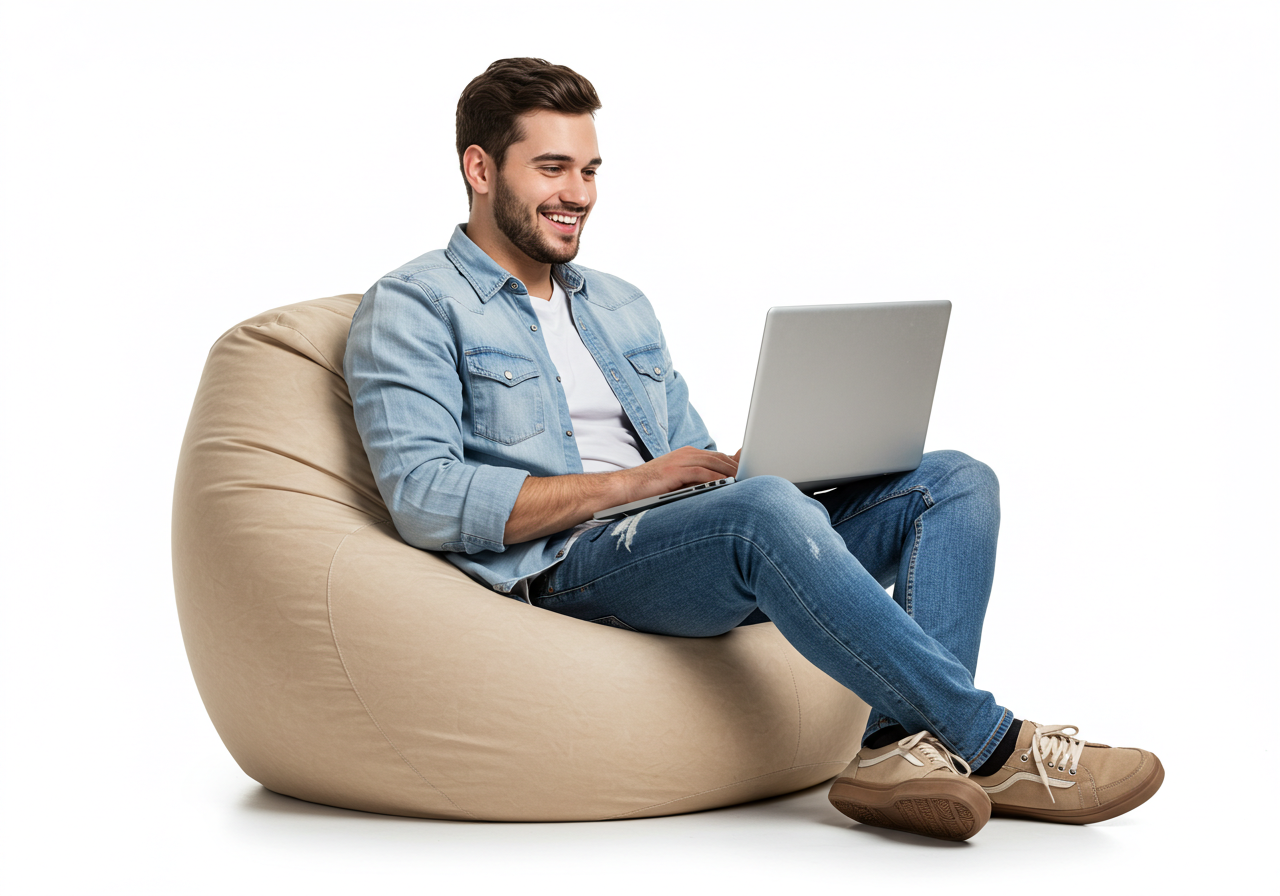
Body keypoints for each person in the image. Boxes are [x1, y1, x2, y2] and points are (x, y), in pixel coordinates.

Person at [343, 57, 1163, 841]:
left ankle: (896, 752)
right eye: (553, 168)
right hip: (563, 567)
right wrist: (642, 485)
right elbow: (424, 497)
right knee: (761, 512)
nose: (578, 195)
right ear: (480, 170)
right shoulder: (413, 306)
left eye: (591, 171)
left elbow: (685, 454)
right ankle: (992, 747)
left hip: (682, 538)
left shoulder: (620, 305)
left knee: (953, 480)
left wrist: (753, 465)